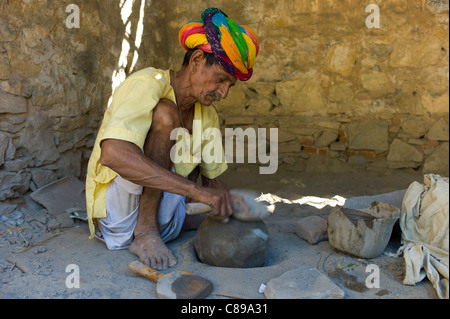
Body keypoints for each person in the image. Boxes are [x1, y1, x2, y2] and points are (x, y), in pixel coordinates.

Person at [85, 7, 259, 270]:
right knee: (166, 114)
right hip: (118, 220)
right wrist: (194, 191)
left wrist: (228, 206)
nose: (223, 93)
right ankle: (144, 233)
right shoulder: (147, 83)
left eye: (229, 86)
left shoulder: (206, 115)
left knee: (223, 210)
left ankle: (156, 228)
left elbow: (212, 182)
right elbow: (112, 153)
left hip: (168, 225)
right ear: (197, 60)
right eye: (221, 80)